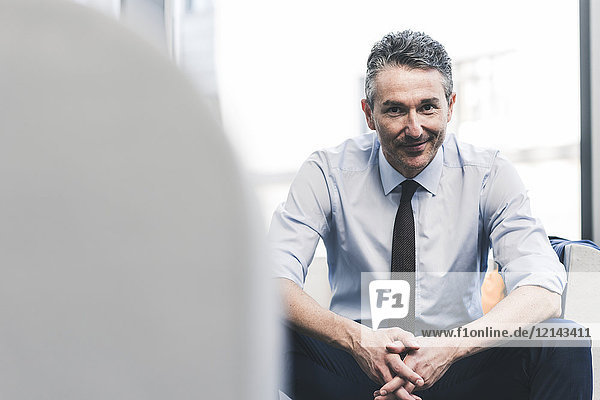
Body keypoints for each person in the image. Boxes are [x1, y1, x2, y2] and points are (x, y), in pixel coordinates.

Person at [269, 30, 592, 400]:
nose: (414, 128)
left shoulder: (488, 173)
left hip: (457, 365)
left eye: (427, 107)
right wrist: (359, 340)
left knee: (563, 339)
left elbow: (543, 291)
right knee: (260, 326)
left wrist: (451, 346)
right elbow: (270, 278)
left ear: (450, 106)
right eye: (394, 109)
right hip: (354, 364)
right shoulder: (327, 172)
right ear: (369, 114)